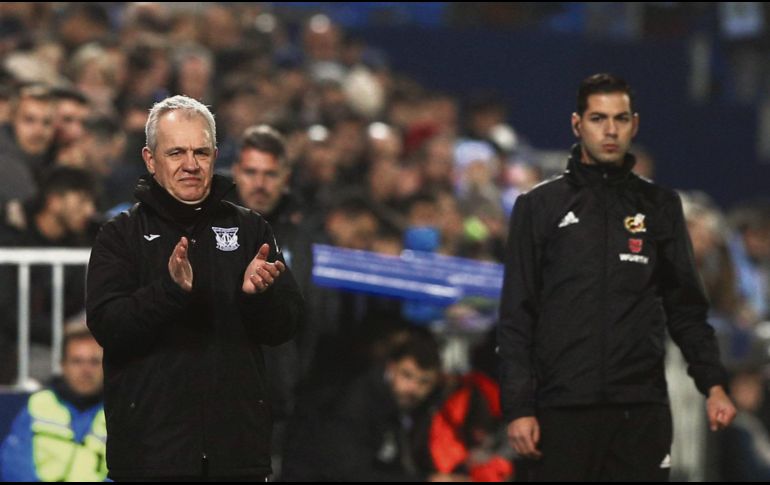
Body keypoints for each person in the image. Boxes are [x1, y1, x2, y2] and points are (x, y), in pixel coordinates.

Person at [497, 73, 736, 481]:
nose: (610, 130)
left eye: (620, 119)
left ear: (634, 124)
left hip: (640, 411)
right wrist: (520, 408)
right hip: (561, 410)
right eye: (598, 118)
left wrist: (712, 384)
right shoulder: (539, 207)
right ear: (577, 124)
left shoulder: (660, 206)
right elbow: (517, 318)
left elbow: (686, 309)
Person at [85, 95, 304, 481]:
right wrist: (168, 291)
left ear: (216, 155)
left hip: (237, 456)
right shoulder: (120, 236)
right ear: (150, 159)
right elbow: (108, 325)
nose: (191, 164)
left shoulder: (251, 230)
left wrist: (261, 297)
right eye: (176, 153)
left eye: (201, 152)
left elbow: (286, 326)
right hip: (151, 456)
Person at [283, 328, 443, 481]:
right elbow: (349, 473)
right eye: (407, 375)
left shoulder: (417, 407)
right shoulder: (356, 401)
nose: (413, 389)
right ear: (392, 367)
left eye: (424, 382)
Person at [0, 166, 98, 385]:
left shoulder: (83, 243)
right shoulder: (12, 243)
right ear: (54, 201)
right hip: (15, 348)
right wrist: (60, 330)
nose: (89, 211)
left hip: (65, 346)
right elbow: (6, 311)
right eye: (81, 201)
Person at [0, 325, 107, 482]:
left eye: (94, 362)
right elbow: (14, 465)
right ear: (63, 365)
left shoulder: (118, 412)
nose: (86, 370)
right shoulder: (39, 404)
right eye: (77, 361)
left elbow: (125, 471)